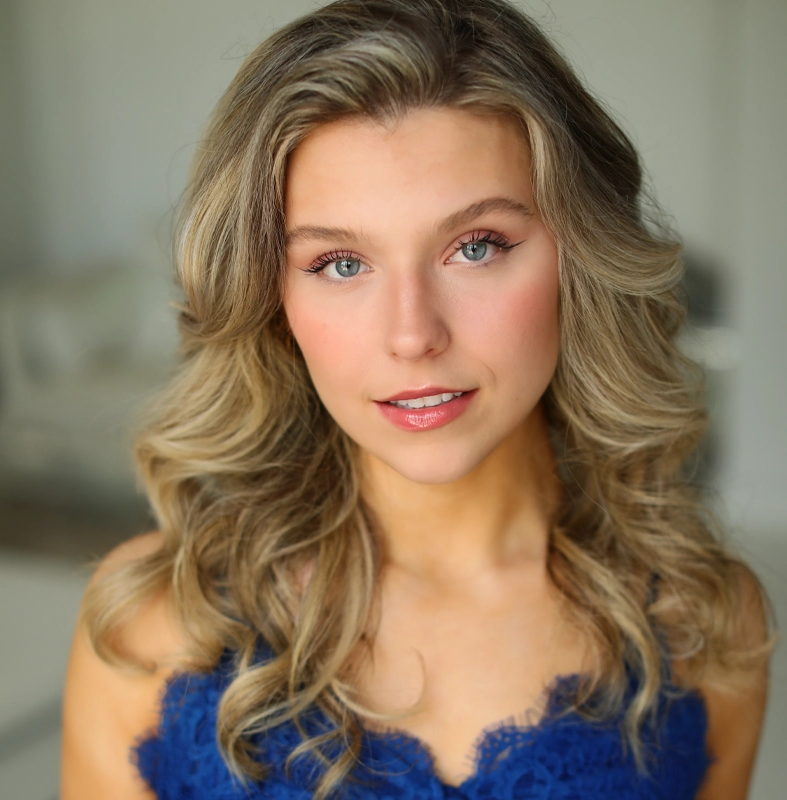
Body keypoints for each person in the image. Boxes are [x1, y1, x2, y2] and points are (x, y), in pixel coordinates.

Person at [60, 1, 775, 798]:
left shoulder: (705, 624)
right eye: (340, 263)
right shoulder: (155, 620)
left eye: (476, 247)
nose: (412, 335)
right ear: (274, 299)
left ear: (579, 257)